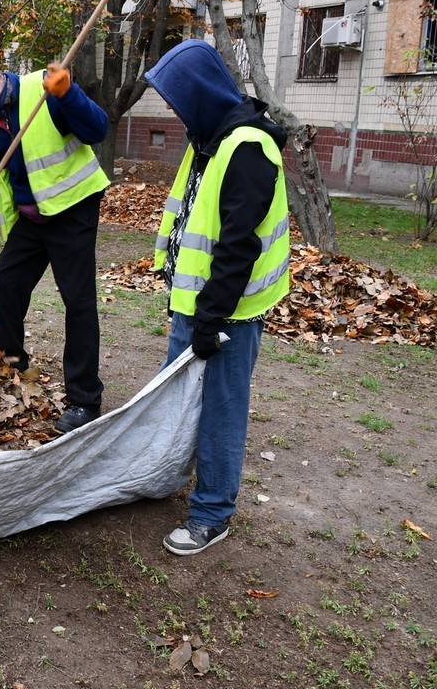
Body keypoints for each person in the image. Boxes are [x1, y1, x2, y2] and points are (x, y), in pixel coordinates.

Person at [145, 39, 291, 556]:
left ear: (201, 92)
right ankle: (167, 477)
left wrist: (212, 317)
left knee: (221, 409)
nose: (170, 109)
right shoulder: (207, 137)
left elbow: (237, 246)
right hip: (195, 303)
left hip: (230, 311)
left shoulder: (248, 147)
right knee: (178, 397)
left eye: (175, 98)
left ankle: (211, 513)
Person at [0, 47, 111, 434]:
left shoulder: (46, 91)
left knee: (78, 301)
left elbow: (96, 130)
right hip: (32, 218)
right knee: (4, 282)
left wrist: (70, 94)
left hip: (72, 209)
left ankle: (85, 400)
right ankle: (14, 360)